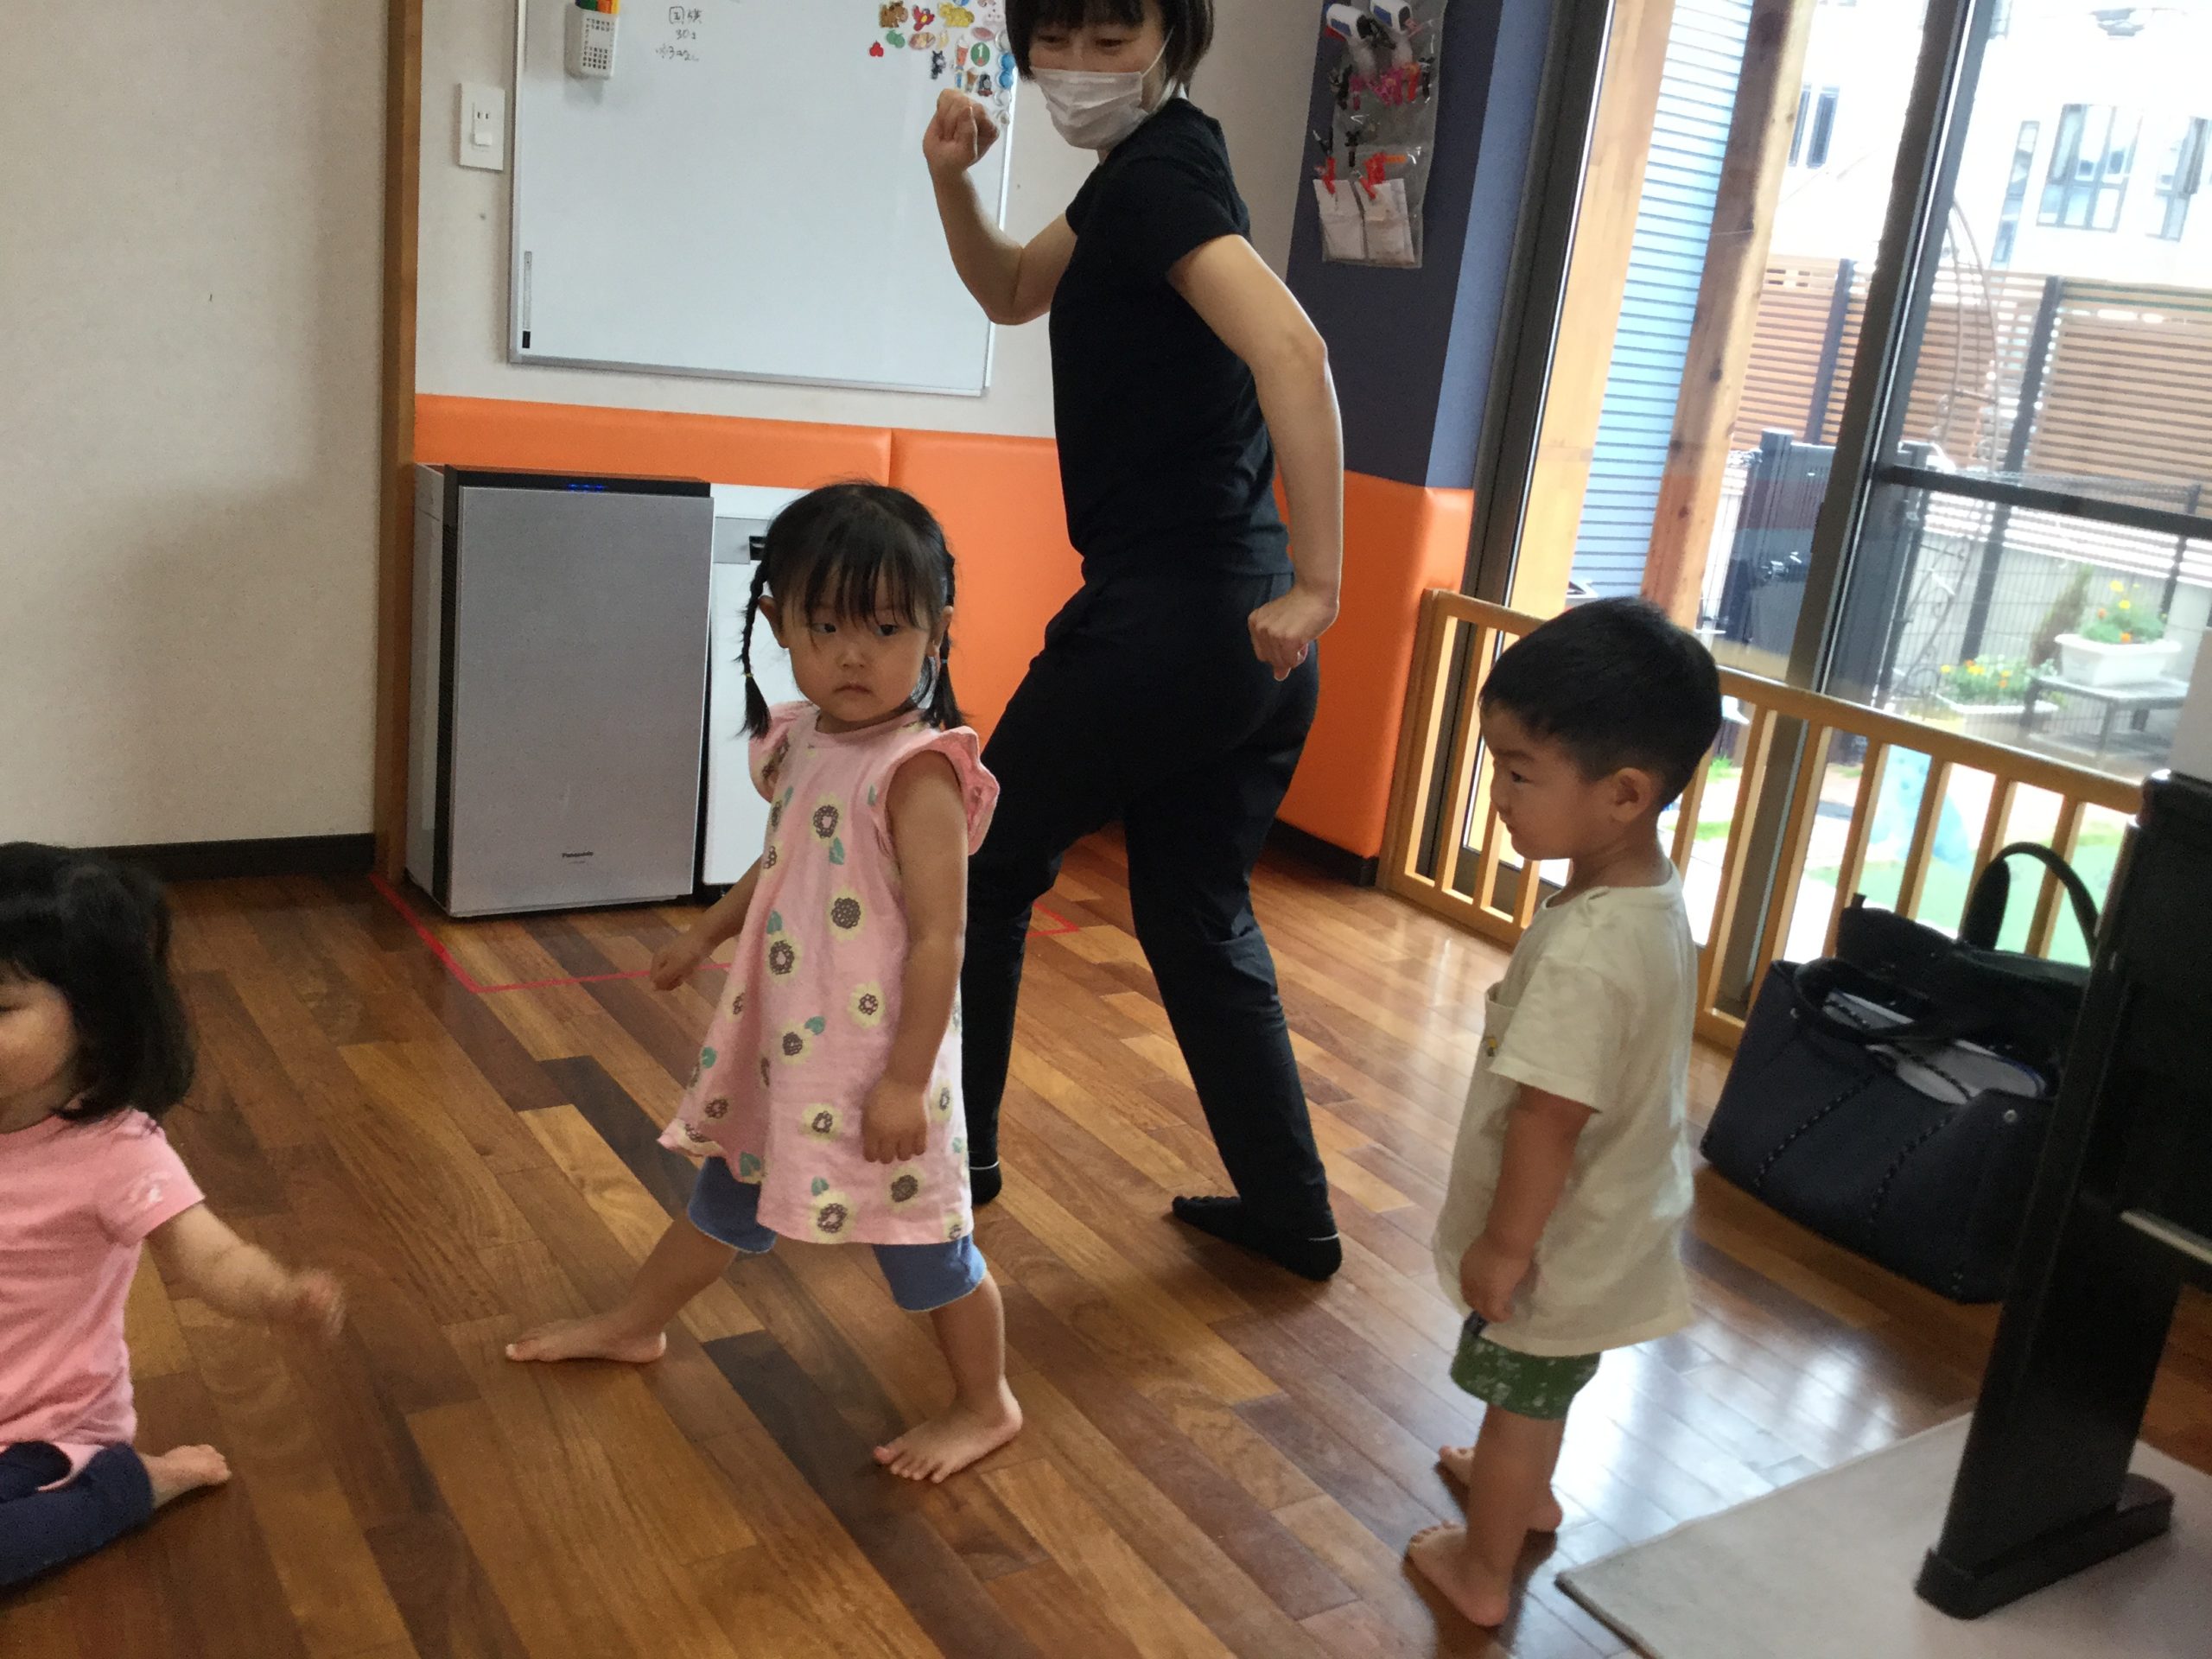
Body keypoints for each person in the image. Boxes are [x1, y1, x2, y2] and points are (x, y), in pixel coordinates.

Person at [923, 0, 1346, 1281]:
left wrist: (1325, 580)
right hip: (1240, 634)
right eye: (1055, 40)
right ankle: (1292, 1214)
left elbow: (1294, 348)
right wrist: (950, 183)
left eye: (1114, 41)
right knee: (1196, 913)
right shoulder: (1147, 170)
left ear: (1174, 39)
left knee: (982, 858)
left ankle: (954, 1166)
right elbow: (1012, 289)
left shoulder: (1157, 181)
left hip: (1175, 612)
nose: (1078, 68)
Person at [507, 484, 1020, 1484]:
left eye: (885, 628)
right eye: (825, 627)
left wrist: (904, 1082)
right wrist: (705, 933)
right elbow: (784, 860)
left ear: (938, 630)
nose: (852, 655)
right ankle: (636, 1324)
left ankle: (984, 1402)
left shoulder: (919, 771)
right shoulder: (806, 739)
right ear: (780, 621)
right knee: (726, 1194)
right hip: (787, 1043)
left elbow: (941, 940)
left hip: (878, 1063)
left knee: (924, 1243)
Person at [1408, 600, 1723, 1627]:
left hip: (1560, 1238)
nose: (1496, 797)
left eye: (1518, 773)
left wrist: (1505, 1246)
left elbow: (1548, 1118)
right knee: (1542, 1385)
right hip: (1617, 1218)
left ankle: (1480, 1571)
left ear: (1625, 793)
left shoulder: (1589, 952)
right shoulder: (1647, 899)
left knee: (1518, 1400)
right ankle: (1528, 1492)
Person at [0, 844, 345, 1590]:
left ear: (95, 1022)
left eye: (0, 1009)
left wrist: (278, 1293)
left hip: (40, 1434)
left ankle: (126, 1487)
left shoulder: (115, 1153)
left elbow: (210, 1255)